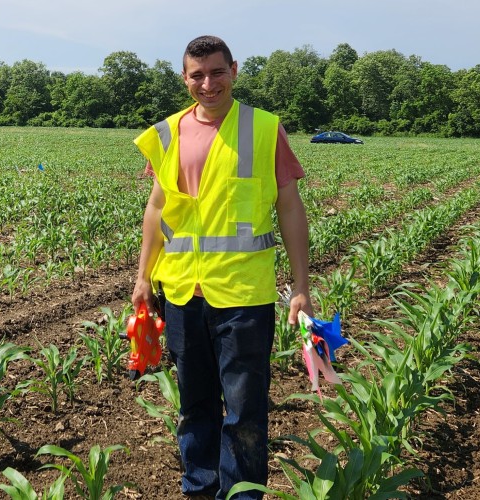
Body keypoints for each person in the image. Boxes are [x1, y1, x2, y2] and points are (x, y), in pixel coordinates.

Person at [130, 35, 312, 499]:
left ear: (234, 69)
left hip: (243, 296)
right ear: (184, 77)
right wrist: (142, 278)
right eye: (197, 74)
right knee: (195, 404)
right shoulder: (167, 132)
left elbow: (290, 208)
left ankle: (243, 494)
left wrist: (301, 287)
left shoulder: (264, 128)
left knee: (245, 410)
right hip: (182, 293)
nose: (207, 83)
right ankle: (199, 489)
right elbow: (157, 209)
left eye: (216, 72)